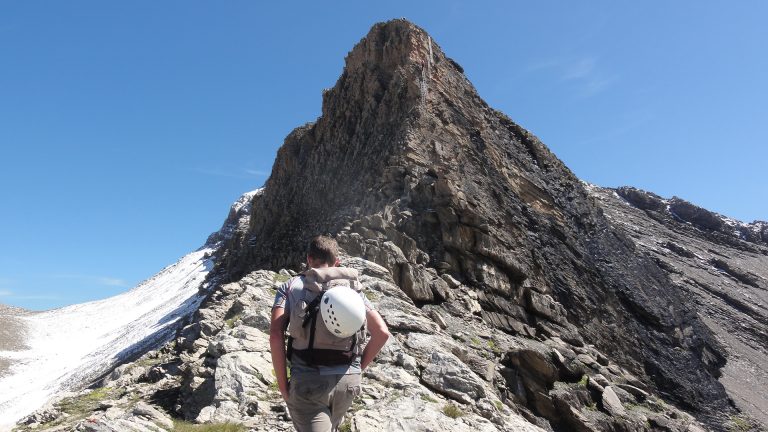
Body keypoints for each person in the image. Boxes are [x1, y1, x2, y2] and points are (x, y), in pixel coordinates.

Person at [269, 235, 391, 432]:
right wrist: (357, 368)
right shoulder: (354, 290)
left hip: (308, 380)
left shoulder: (290, 286)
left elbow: (275, 334)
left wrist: (283, 387)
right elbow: (382, 333)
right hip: (348, 380)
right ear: (337, 262)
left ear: (309, 259)